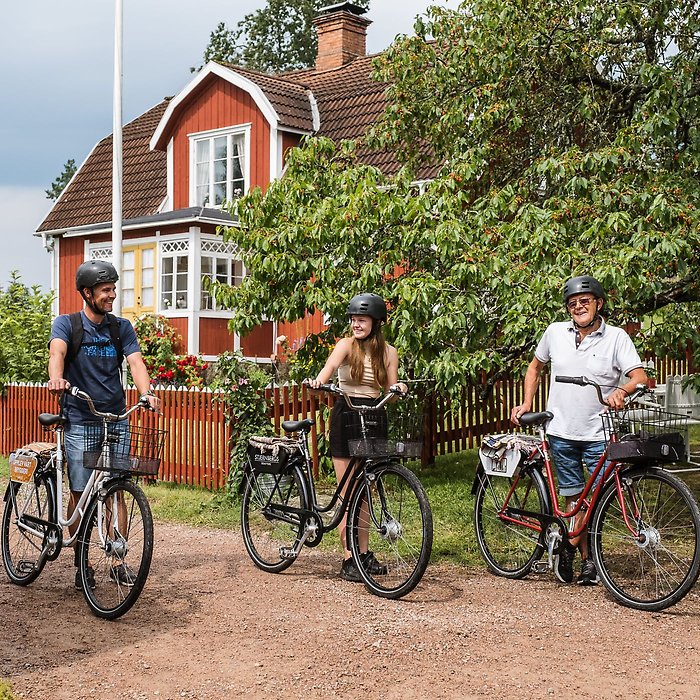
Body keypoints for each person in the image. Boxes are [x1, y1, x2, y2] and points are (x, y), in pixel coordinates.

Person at [510, 275, 647, 586]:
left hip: (598, 432)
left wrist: (623, 392)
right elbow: (535, 366)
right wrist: (526, 402)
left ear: (598, 303)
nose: (578, 307)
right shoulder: (555, 332)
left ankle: (566, 545)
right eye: (572, 303)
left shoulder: (616, 338)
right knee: (574, 497)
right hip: (561, 430)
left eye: (584, 301)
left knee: (595, 499)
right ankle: (587, 561)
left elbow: (639, 377)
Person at [47, 260, 161, 591]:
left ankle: (117, 560)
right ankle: (81, 561)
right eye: (105, 290)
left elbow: (136, 362)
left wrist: (147, 393)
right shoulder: (67, 324)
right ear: (87, 293)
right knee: (81, 491)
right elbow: (57, 353)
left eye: (113, 289)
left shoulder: (120, 327)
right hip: (82, 419)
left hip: (115, 418)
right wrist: (57, 379)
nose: (112, 295)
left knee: (116, 488)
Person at [307, 293, 407, 582]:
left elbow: (390, 387)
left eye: (361, 319)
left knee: (366, 493)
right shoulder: (345, 346)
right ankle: (349, 558)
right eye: (353, 319)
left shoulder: (389, 352)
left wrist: (399, 388)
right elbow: (326, 372)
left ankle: (362, 555)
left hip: (374, 415)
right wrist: (319, 381)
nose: (356, 324)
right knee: (348, 492)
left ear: (376, 322)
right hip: (347, 413)